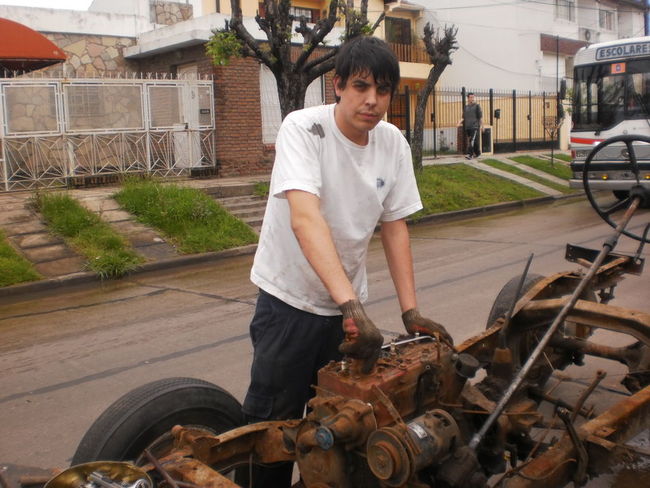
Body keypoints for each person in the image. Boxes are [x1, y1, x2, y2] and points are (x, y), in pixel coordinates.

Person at [243, 35, 453, 488]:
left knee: (344, 423)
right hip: (289, 303)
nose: (372, 100)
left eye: (383, 90)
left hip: (344, 312)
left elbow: (395, 226)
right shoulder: (303, 129)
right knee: (274, 429)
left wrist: (410, 311)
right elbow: (305, 217)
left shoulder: (393, 142)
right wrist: (351, 306)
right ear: (337, 85)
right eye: (361, 86)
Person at [458, 92, 483, 159]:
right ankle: (477, 153)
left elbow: (480, 117)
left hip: (475, 126)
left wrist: (482, 126)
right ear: (468, 98)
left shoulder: (477, 106)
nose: (472, 98)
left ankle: (470, 154)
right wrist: (458, 122)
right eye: (471, 97)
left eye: (473, 97)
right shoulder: (466, 107)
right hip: (468, 127)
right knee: (472, 141)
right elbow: (463, 117)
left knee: (472, 140)